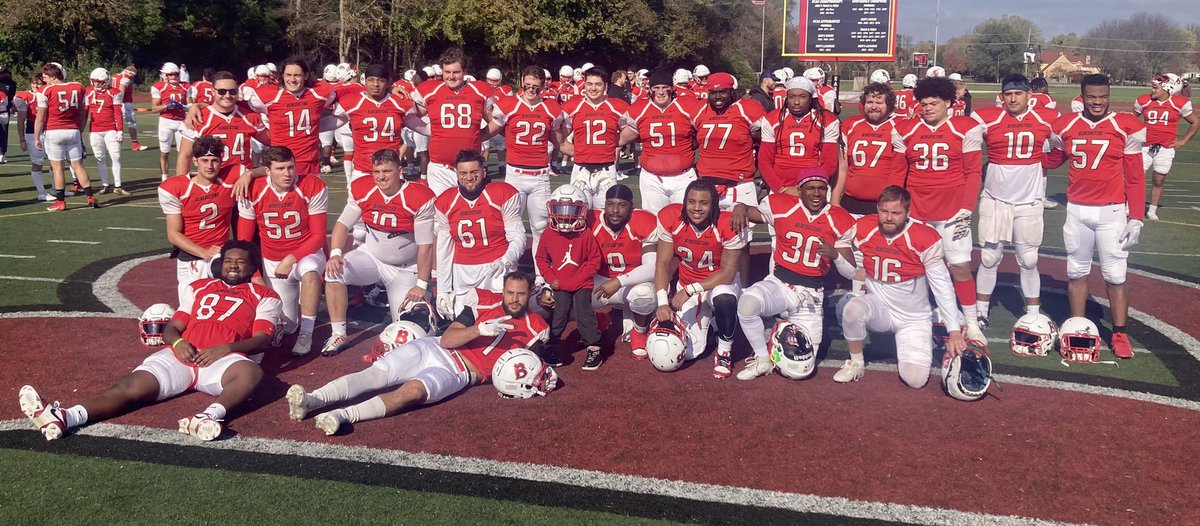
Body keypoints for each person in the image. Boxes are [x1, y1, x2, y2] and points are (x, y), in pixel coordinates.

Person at [19, 240, 282, 442]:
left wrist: (224, 349)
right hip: (183, 354)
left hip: (222, 359)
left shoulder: (264, 295)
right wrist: (178, 344)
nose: (233, 265)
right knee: (132, 386)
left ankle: (208, 416)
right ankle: (66, 416)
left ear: (252, 267)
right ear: (221, 263)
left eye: (240, 262)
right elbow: (173, 328)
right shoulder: (199, 287)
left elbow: (262, 339)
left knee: (251, 373)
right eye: (228, 260)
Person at [286, 272, 550, 436]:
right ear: (502, 290)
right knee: (375, 375)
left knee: (411, 393)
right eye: (510, 292)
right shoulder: (482, 302)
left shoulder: (536, 328)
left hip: (459, 372)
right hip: (433, 348)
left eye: (521, 294)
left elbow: (534, 367)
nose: (514, 299)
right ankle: (312, 400)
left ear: (530, 296)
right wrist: (478, 329)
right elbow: (448, 340)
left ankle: (342, 416)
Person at [1044, 74, 1147, 359]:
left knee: (1115, 275)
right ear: (1082, 96)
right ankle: (1078, 328)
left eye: (1103, 97)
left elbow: (1136, 178)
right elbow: (1053, 159)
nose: (1098, 102)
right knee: (1076, 272)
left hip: (1112, 211)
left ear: (1109, 95)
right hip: (1077, 209)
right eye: (1092, 97)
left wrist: (1136, 216)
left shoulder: (1124, 125)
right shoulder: (1065, 125)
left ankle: (1119, 333)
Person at [835, 186, 967, 386]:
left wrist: (954, 331)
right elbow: (839, 240)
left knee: (915, 380)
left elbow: (942, 285)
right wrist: (854, 266)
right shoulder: (864, 226)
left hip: (912, 317)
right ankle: (856, 363)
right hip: (879, 308)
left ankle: (927, 338)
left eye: (896, 213)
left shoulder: (924, 236)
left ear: (908, 213)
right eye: (884, 211)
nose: (889, 218)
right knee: (852, 309)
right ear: (877, 209)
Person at [890, 75, 987, 344]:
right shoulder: (905, 129)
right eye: (924, 103)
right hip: (917, 212)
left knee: (960, 267)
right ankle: (921, 316)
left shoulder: (965, 127)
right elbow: (899, 172)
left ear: (948, 103)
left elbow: (973, 172)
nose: (928, 107)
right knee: (915, 268)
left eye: (934, 103)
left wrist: (967, 208)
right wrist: (896, 208)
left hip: (953, 211)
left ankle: (971, 319)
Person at [734, 172, 855, 380]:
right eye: (810, 188)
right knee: (747, 304)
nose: (816, 194)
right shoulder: (782, 206)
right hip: (780, 284)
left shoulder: (838, 218)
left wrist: (835, 255)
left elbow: (852, 272)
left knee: (800, 372)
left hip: (811, 296)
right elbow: (750, 212)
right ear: (799, 191)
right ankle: (762, 359)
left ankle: (782, 330)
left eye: (821, 188)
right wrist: (740, 207)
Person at [321, 149, 436, 356]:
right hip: (372, 257)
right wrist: (336, 253)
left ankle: (427, 299)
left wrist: (421, 284)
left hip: (405, 268)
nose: (381, 177)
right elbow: (341, 224)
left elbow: (426, 246)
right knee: (333, 272)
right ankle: (338, 333)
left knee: (410, 338)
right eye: (377, 171)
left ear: (399, 170)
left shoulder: (419, 196)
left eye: (387, 171)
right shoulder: (363, 188)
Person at [971, 74, 1059, 327]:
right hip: (994, 198)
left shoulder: (1046, 119)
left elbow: (1066, 144)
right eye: (1008, 94)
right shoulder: (986, 118)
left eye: (1018, 93)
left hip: (1029, 200)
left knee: (1029, 259)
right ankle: (981, 311)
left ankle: (1032, 312)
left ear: (1029, 96)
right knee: (988, 258)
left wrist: (1047, 162)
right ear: (1002, 96)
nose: (1012, 98)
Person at [237, 146, 328, 355]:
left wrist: (291, 258)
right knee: (286, 328)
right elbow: (244, 240)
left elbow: (318, 236)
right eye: (280, 169)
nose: (287, 174)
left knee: (310, 269)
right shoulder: (253, 190)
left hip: (305, 254)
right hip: (271, 261)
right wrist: (255, 274)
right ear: (267, 171)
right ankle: (299, 314)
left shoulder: (312, 185)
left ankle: (307, 334)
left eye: (290, 167)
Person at [654, 180, 749, 379]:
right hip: (687, 282)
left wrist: (690, 290)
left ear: (714, 204)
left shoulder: (727, 223)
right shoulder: (671, 218)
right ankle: (714, 324)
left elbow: (728, 273)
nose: (696, 208)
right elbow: (662, 263)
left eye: (703, 203)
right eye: (691, 201)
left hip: (718, 284)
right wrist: (663, 303)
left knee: (724, 299)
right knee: (689, 353)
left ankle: (724, 351)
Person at [434, 149, 526, 318]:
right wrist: (443, 290)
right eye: (463, 173)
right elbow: (444, 249)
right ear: (457, 174)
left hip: (497, 266)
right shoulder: (446, 201)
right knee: (465, 322)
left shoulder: (502, 193)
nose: (468, 177)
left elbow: (518, 237)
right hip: (463, 271)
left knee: (504, 319)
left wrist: (505, 261)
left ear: (484, 172)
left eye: (474, 172)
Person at [488, 66, 567, 261]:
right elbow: (488, 131)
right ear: (522, 83)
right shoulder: (509, 105)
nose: (531, 91)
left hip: (540, 176)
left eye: (536, 88)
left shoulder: (551, 108)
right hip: (515, 175)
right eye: (528, 86)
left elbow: (560, 142)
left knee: (541, 228)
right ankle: (509, 269)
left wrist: (587, 152)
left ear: (543, 86)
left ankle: (540, 275)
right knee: (510, 228)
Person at [159, 136, 249, 304]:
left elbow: (266, 170)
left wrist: (250, 174)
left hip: (221, 255)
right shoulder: (176, 187)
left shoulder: (231, 177)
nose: (210, 166)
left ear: (221, 161)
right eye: (205, 160)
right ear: (195, 161)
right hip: (191, 255)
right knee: (191, 309)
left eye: (214, 160)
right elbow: (173, 234)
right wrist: (203, 252)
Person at [407, 48, 495, 195]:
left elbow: (495, 121)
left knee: (470, 213)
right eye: (447, 72)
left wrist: (480, 136)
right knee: (441, 213)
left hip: (469, 168)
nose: (451, 76)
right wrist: (429, 130)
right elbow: (409, 116)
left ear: (465, 71)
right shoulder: (431, 90)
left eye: (456, 72)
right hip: (440, 168)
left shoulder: (479, 90)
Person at [535, 185, 603, 369]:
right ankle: (551, 344)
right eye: (560, 209)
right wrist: (550, 277)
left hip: (582, 282)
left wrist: (578, 280)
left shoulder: (585, 234)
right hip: (560, 283)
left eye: (570, 210)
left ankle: (594, 347)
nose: (565, 216)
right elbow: (541, 258)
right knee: (559, 314)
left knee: (583, 312)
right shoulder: (549, 233)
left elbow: (594, 260)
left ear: (581, 210)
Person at [589, 184, 658, 358]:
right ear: (604, 205)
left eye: (622, 205)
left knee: (645, 294)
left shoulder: (643, 222)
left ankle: (640, 331)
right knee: (566, 303)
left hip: (632, 283)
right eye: (610, 204)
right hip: (599, 280)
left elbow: (652, 268)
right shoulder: (591, 221)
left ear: (631, 207)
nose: (615, 210)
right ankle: (596, 320)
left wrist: (619, 281)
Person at [620, 69, 702, 214]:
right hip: (652, 178)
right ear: (650, 90)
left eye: (665, 88)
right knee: (653, 222)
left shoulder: (687, 105)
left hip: (683, 176)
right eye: (656, 88)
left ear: (672, 89)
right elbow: (623, 136)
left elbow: (705, 131)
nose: (661, 92)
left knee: (683, 222)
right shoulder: (640, 108)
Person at [690, 72, 767, 210]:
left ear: (732, 92)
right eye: (713, 92)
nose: (718, 96)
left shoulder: (747, 108)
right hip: (707, 185)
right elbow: (690, 139)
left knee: (742, 230)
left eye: (722, 92)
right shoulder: (700, 110)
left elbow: (765, 142)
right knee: (706, 231)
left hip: (740, 186)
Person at [330, 64, 414, 187]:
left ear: (388, 82)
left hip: (391, 170)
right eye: (371, 80)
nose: (375, 84)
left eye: (381, 80)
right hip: (362, 171)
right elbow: (324, 100)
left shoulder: (400, 101)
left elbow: (420, 119)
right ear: (365, 81)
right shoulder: (352, 100)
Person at [177, 71, 270, 181]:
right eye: (221, 91)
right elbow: (185, 156)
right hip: (213, 183)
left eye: (232, 91)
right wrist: (181, 186)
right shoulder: (199, 118)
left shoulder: (249, 116)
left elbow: (273, 140)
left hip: (242, 182)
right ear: (213, 91)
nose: (227, 95)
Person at [561, 66, 632, 208]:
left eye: (598, 84)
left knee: (606, 216)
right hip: (580, 170)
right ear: (584, 84)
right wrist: (569, 149)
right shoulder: (574, 106)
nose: (593, 88)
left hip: (606, 170)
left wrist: (613, 142)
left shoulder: (616, 106)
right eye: (590, 84)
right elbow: (560, 135)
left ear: (605, 86)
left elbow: (632, 130)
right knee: (579, 216)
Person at [757, 77, 840, 194]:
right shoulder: (772, 119)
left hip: (813, 187)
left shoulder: (827, 120)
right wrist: (780, 188)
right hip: (780, 186)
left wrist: (808, 188)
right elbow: (764, 160)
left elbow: (829, 163)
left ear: (811, 98)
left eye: (802, 97)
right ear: (787, 98)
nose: (796, 102)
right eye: (792, 97)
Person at [1133, 73, 1197, 221]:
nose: (1152, 91)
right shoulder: (1144, 101)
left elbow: (1195, 122)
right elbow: (1130, 119)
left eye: (1155, 88)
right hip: (1144, 146)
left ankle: (1152, 210)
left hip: (1165, 148)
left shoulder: (1179, 103)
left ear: (1168, 88)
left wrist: (1183, 141)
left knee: (1159, 180)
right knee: (1135, 178)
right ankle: (1130, 206)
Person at [834, 82, 903, 217]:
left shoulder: (901, 126)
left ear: (889, 105)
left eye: (879, 102)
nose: (873, 106)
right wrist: (835, 202)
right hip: (851, 203)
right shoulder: (850, 125)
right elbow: (842, 167)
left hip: (884, 206)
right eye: (869, 102)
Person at [35, 63, 98, 210]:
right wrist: (80, 130)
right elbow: (83, 112)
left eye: (46, 76)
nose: (44, 80)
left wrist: (37, 137)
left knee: (58, 168)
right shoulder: (78, 86)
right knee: (78, 165)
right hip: (73, 131)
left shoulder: (46, 90)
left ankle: (60, 201)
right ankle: (90, 196)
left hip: (54, 131)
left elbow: (40, 117)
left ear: (54, 76)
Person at [83, 68, 128, 195]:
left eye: (99, 81)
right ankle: (105, 184)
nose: (96, 84)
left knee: (116, 156)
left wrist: (119, 130)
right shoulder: (88, 92)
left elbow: (117, 113)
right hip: (95, 130)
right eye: (95, 81)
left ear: (106, 81)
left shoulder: (114, 92)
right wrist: (80, 129)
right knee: (99, 158)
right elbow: (85, 112)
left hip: (110, 129)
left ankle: (118, 185)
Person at [13, 75, 53, 200]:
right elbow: (21, 121)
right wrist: (21, 139)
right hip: (32, 132)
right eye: (33, 83)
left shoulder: (48, 93)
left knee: (55, 161)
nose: (36, 86)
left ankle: (55, 187)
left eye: (38, 83)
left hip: (49, 131)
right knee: (38, 163)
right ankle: (41, 192)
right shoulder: (25, 97)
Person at [151, 62, 192, 180]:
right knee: (164, 152)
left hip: (181, 121)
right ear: (165, 76)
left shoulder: (186, 86)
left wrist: (183, 107)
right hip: (166, 122)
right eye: (171, 75)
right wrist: (166, 106)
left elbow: (190, 104)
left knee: (183, 153)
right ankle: (164, 179)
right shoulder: (159, 86)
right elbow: (154, 108)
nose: (174, 77)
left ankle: (181, 178)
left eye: (175, 74)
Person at [110, 65, 147, 151]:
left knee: (114, 123)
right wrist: (119, 103)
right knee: (131, 123)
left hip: (113, 102)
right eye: (133, 75)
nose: (133, 77)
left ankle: (113, 144)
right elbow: (121, 91)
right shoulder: (126, 79)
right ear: (130, 73)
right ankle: (135, 144)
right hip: (124, 103)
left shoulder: (115, 76)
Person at [0, 67, 14, 164]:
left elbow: (11, 96)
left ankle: (2, 153)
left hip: (4, 111)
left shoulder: (10, 83)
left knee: (4, 132)